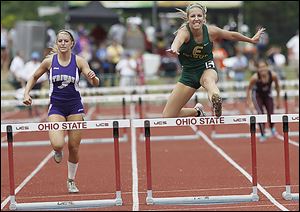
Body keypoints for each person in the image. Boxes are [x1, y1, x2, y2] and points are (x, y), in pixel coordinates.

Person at [23, 29, 100, 193]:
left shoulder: (79, 61)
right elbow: (34, 77)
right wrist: (26, 93)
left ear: (72, 44)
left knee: (73, 147)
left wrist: (93, 77)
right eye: (60, 41)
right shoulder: (49, 62)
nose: (63, 44)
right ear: (56, 44)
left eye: (66, 41)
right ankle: (57, 150)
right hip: (56, 107)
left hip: (75, 107)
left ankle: (71, 180)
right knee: (58, 144)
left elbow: (95, 82)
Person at [163, 2, 266, 118]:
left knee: (208, 81)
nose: (196, 19)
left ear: (204, 18)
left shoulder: (211, 31)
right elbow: (177, 41)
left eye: (199, 16)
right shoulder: (185, 32)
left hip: (206, 67)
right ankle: (197, 111)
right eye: (193, 16)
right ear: (188, 19)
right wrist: (174, 48)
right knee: (168, 115)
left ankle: (216, 100)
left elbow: (231, 35)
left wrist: (250, 40)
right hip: (189, 74)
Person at [246, 58, 281, 142]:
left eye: (264, 67)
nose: (262, 69)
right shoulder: (255, 78)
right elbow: (249, 89)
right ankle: (262, 134)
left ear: (267, 67)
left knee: (271, 113)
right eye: (260, 67)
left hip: (267, 95)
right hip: (257, 96)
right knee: (260, 114)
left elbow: (277, 87)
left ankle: (272, 128)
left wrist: (278, 99)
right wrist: (250, 102)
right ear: (257, 69)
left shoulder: (273, 75)